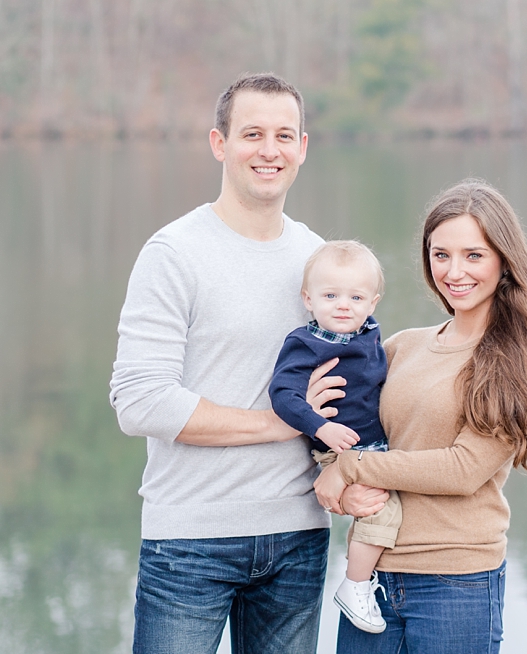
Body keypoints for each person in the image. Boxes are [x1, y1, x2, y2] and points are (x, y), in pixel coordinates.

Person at [109, 73, 383, 654]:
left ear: (303, 148)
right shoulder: (174, 253)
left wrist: (350, 469)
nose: (269, 150)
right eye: (251, 133)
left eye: (284, 135)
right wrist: (283, 421)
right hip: (190, 540)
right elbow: (138, 400)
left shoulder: (320, 260)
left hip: (298, 537)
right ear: (219, 143)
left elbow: (357, 388)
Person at [313, 179, 527, 654]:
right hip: (372, 580)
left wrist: (353, 468)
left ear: (503, 260)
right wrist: (316, 415)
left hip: (456, 585)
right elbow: (352, 423)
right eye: (440, 254)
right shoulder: (402, 346)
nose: (455, 272)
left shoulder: (515, 358)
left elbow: (462, 469)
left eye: (474, 255)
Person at [269, 240, 402, 635]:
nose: (343, 305)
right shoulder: (306, 343)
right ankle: (355, 585)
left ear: (372, 303)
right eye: (330, 296)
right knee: (383, 510)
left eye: (355, 297)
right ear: (308, 299)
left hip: (375, 448)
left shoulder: (371, 336)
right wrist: (319, 425)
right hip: (339, 449)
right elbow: (283, 395)